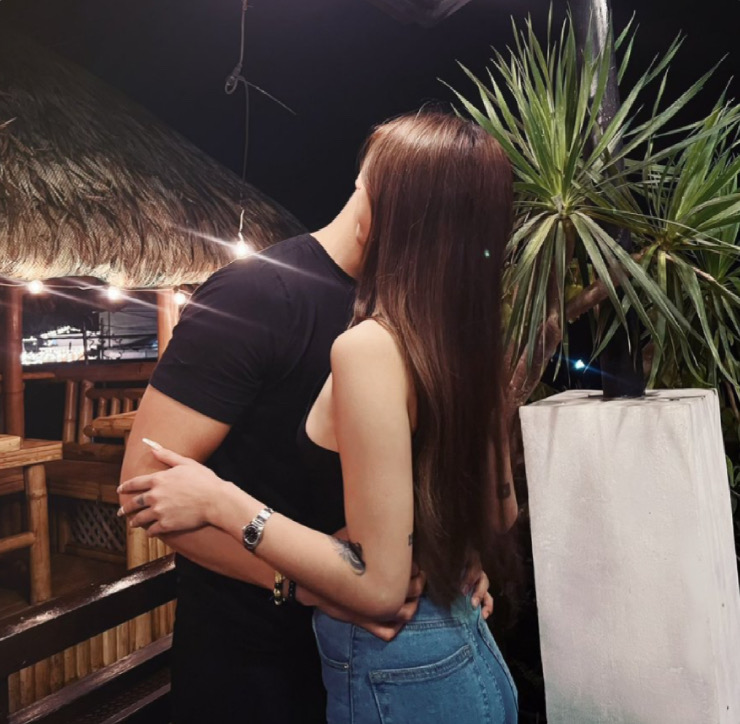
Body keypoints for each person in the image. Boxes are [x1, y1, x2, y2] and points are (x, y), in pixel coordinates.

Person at [119, 111, 519, 723]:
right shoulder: (256, 296)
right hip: (255, 660)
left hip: (381, 658)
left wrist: (453, 563)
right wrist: (302, 585)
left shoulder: (419, 315)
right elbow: (145, 487)